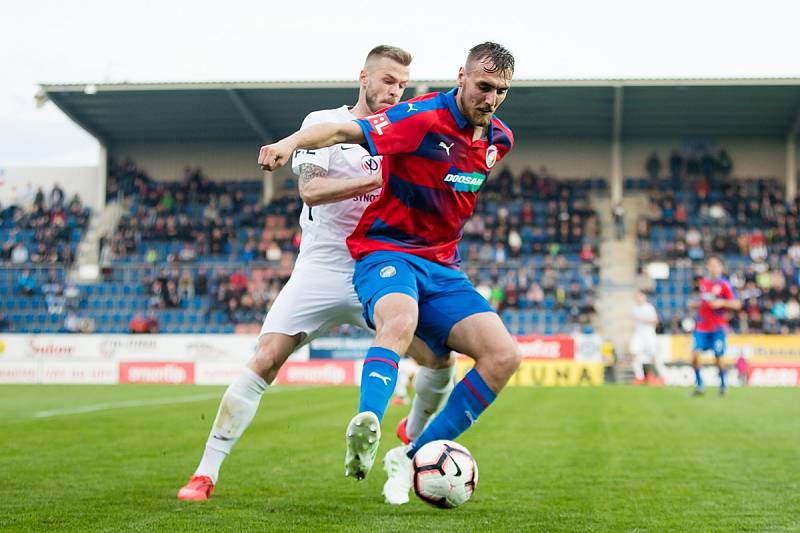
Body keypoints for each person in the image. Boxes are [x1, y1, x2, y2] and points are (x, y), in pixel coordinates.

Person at [179, 45, 454, 502]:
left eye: (402, 84)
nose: (394, 90)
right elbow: (311, 190)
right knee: (266, 359)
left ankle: (411, 444)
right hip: (322, 266)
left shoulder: (405, 128)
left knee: (440, 358)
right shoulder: (321, 122)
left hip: (382, 265)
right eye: (387, 80)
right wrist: (374, 180)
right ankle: (206, 472)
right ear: (362, 77)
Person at [258, 41, 519, 505]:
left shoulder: (499, 140)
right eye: (483, 86)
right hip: (387, 251)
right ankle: (369, 427)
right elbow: (343, 130)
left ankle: (412, 455)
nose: (491, 98)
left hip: (443, 264)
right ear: (461, 77)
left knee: (503, 356)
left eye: (500, 90)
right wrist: (289, 143)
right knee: (400, 322)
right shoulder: (420, 117)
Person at [689, 255, 742, 396]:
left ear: (720, 267)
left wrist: (722, 303)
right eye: (710, 264)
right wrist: (695, 305)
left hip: (717, 327)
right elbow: (705, 302)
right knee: (694, 355)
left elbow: (737, 304)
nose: (712, 267)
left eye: (715, 265)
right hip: (702, 327)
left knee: (718, 357)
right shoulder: (704, 284)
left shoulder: (725, 284)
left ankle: (724, 385)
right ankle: (700, 386)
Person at [629, 291, 660, 385]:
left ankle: (654, 376)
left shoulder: (649, 308)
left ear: (644, 298)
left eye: (640, 297)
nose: (638, 299)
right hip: (638, 333)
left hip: (648, 332)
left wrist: (642, 320)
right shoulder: (634, 309)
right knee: (633, 352)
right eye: (637, 297)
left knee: (653, 354)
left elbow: (655, 321)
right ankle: (639, 377)